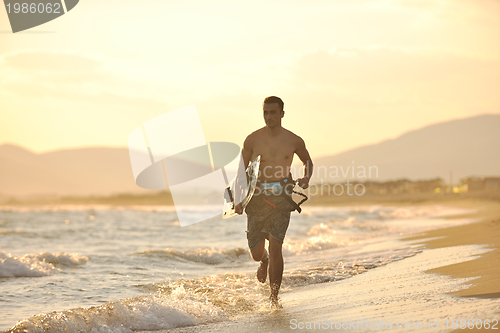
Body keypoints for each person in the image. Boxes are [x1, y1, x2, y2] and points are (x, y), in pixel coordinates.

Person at [235, 96, 313, 306]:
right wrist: (238, 198)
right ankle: (264, 261)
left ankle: (274, 298)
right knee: (256, 253)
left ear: (282, 114)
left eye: (272, 112)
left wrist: (306, 177)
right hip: (257, 198)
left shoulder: (294, 140)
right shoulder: (252, 140)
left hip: (281, 197)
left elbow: (307, 161)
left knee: (277, 245)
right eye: (265, 112)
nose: (268, 116)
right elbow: (241, 170)